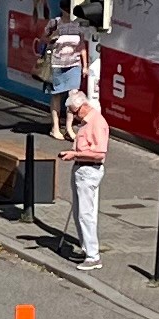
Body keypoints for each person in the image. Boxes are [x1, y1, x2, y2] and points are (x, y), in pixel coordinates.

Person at [58, 76, 111, 270]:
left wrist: (75, 154)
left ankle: (93, 256)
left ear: (83, 106)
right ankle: (87, 247)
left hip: (89, 170)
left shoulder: (97, 123)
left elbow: (99, 154)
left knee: (85, 214)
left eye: (74, 112)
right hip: (81, 168)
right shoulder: (87, 122)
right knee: (80, 212)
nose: (74, 116)